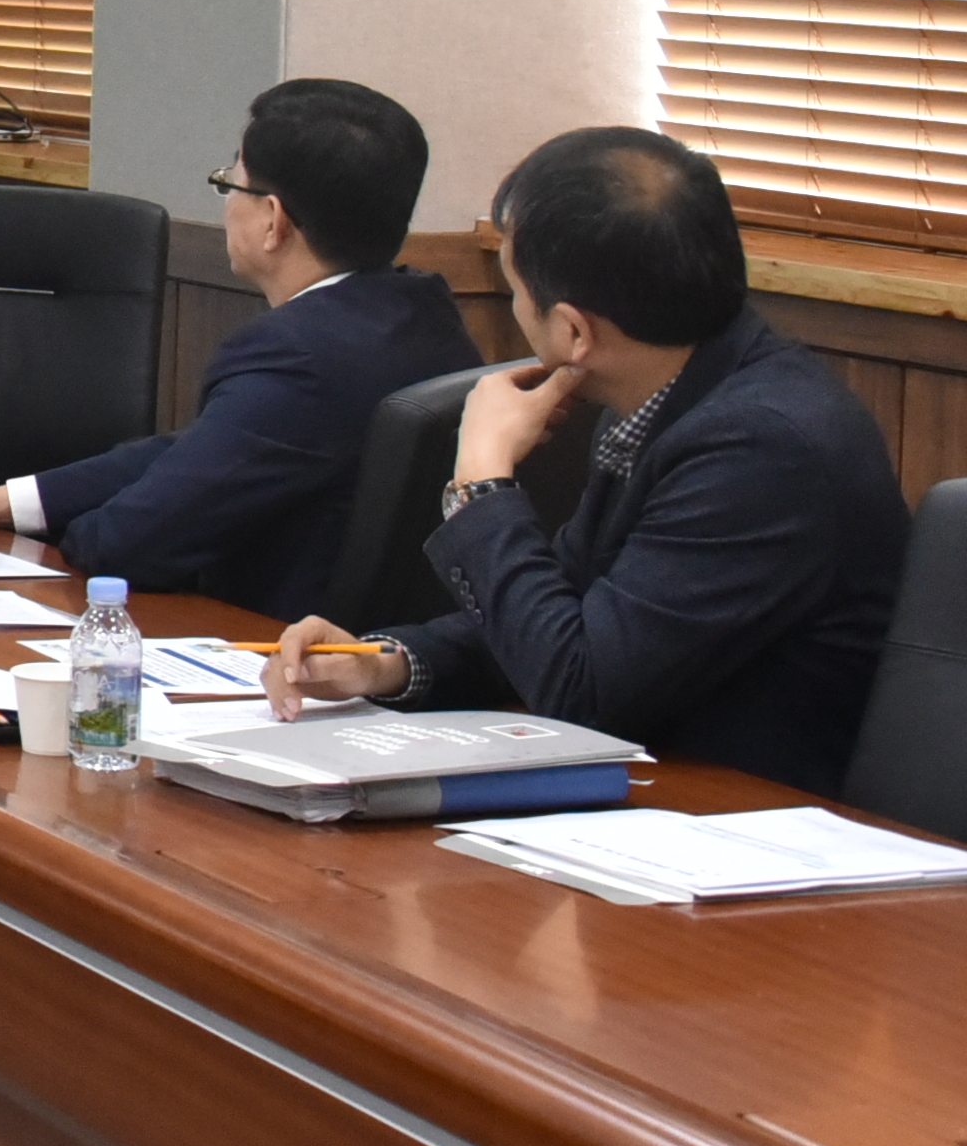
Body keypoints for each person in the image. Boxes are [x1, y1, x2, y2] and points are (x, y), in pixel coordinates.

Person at [268, 125, 904, 794]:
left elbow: (580, 687)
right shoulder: (685, 391)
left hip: (747, 830)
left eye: (514, 289)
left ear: (572, 330)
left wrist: (481, 483)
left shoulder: (762, 448)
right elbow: (567, 612)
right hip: (654, 801)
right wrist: (388, 663)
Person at [0, 79, 479, 618]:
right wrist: (3, 502)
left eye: (232, 182)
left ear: (273, 222)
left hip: (272, 657)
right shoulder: (422, 310)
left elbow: (127, 543)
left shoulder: (297, 355)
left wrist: (69, 534)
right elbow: (205, 448)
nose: (227, 201)